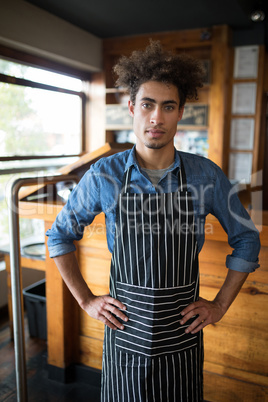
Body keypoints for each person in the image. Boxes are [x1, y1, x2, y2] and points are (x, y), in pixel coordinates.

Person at [46, 41, 260, 402]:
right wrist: (85, 300)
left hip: (181, 336)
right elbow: (59, 236)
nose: (156, 118)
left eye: (168, 107)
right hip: (124, 333)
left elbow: (247, 238)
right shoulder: (104, 175)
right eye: (147, 105)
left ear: (180, 113)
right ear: (132, 107)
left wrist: (220, 305)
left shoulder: (205, 175)